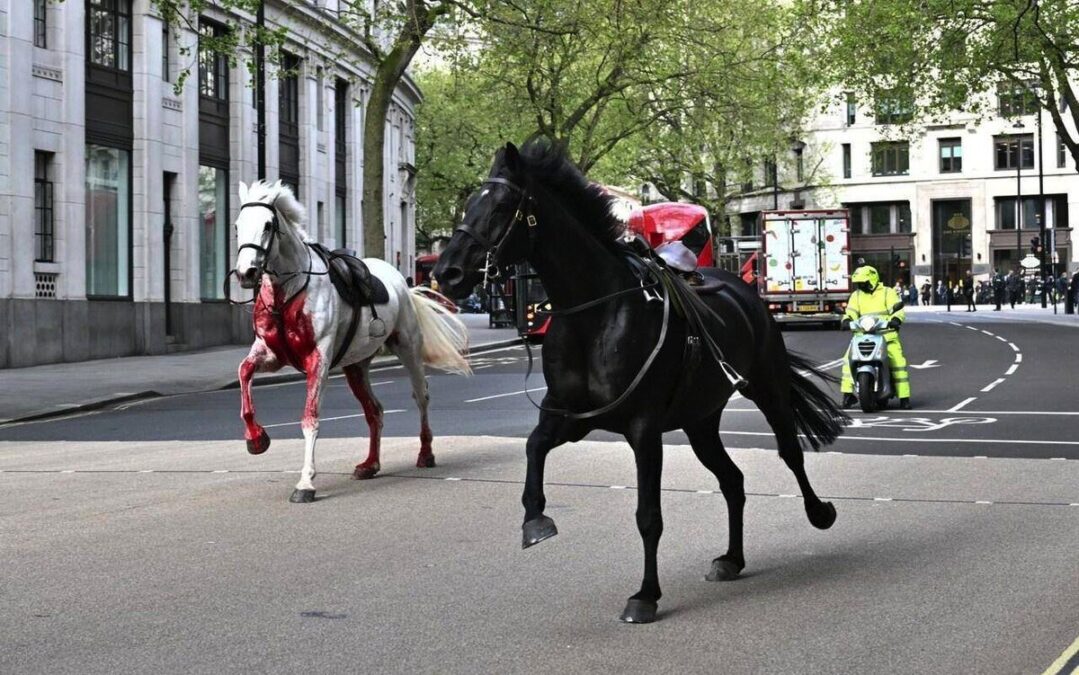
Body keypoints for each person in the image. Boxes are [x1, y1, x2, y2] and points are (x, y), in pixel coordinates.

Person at [840, 265, 911, 410]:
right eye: (858, 283)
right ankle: (847, 395)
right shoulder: (856, 295)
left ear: (872, 279)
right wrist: (846, 320)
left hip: (886, 336)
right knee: (847, 361)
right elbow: (851, 311)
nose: (860, 285)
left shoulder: (887, 292)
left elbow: (898, 309)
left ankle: (904, 398)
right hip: (862, 335)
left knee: (898, 363)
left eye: (863, 282)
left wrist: (896, 320)